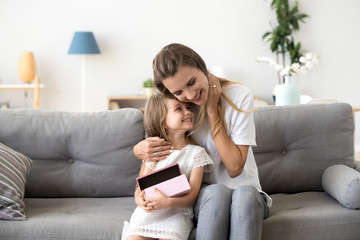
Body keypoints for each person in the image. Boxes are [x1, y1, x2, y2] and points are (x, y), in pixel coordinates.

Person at [133, 43, 272, 240]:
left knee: (245, 195)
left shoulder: (238, 96)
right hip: (206, 198)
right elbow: (157, 151)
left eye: (191, 82)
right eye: (179, 92)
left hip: (247, 194)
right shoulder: (181, 108)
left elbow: (234, 168)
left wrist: (212, 110)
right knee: (215, 193)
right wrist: (139, 149)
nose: (190, 96)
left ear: (202, 67)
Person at [122, 93, 213, 240]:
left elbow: (193, 197)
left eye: (188, 107)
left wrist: (168, 202)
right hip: (149, 214)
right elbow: (140, 190)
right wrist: (140, 200)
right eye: (179, 109)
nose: (188, 112)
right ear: (163, 120)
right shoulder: (154, 151)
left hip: (176, 214)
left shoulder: (196, 153)